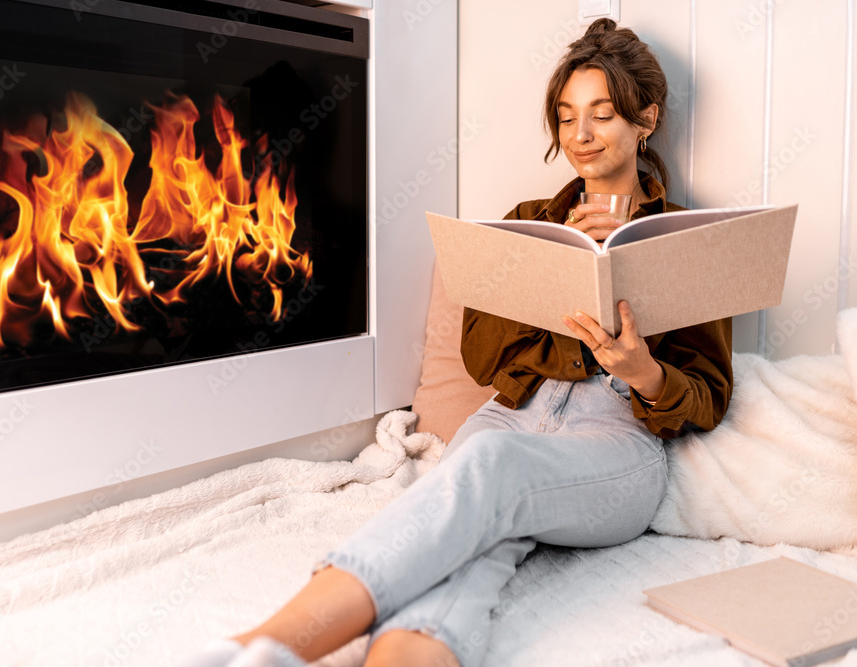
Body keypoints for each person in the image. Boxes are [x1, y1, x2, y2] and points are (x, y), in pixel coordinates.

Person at [187, 18, 733, 667]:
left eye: (603, 114)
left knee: (489, 468)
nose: (580, 136)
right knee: (467, 548)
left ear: (646, 118)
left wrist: (642, 371)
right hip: (510, 416)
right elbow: (483, 355)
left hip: (615, 444)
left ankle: (266, 645)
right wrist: (569, 302)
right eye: (565, 117)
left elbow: (707, 397)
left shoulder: (684, 239)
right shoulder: (531, 224)